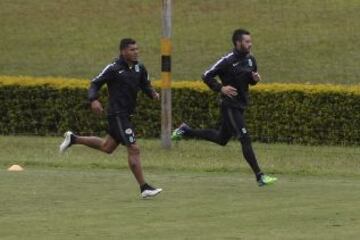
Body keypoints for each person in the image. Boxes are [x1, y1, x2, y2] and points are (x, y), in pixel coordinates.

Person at [171, 29, 277, 186]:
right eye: (247, 41)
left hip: (241, 105)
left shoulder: (251, 59)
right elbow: (206, 75)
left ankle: (186, 130)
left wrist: (254, 79)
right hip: (229, 106)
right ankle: (259, 176)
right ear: (238, 43)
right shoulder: (227, 60)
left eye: (250, 41)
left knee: (221, 139)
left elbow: (250, 79)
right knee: (245, 138)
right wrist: (220, 88)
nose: (250, 44)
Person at [59, 38, 162, 198]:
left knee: (107, 147)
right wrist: (93, 99)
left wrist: (153, 94)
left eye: (137, 49)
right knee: (134, 148)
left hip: (127, 115)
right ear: (123, 51)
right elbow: (94, 84)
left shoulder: (139, 68)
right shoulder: (113, 68)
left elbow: (145, 84)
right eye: (132, 50)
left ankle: (73, 139)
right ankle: (144, 187)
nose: (136, 52)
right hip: (117, 115)